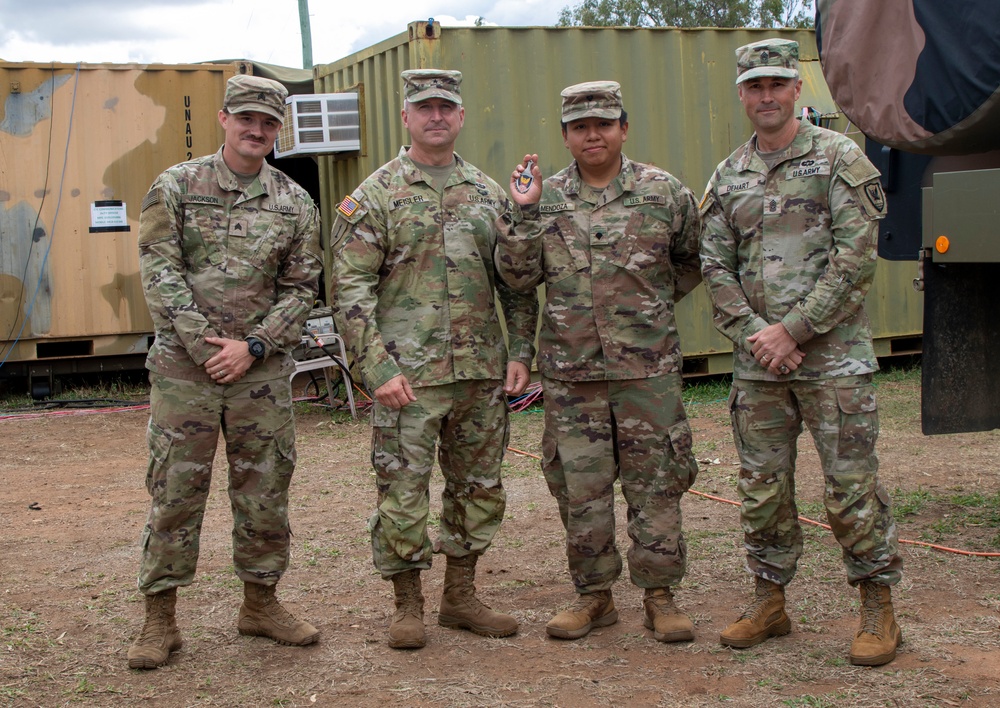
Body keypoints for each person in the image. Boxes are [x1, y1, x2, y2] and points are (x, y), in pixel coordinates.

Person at [699, 39, 904, 666]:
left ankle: (877, 604)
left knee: (849, 486)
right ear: (741, 93)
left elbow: (855, 260)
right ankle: (769, 599)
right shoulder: (729, 174)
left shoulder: (839, 158)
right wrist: (759, 336)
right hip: (759, 365)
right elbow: (715, 264)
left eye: (777, 85)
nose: (766, 96)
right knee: (762, 488)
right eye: (755, 86)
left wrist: (794, 331)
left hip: (834, 362)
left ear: (796, 89)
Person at [329, 69, 538, 650]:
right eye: (425, 107)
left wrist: (520, 350)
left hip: (479, 374)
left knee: (479, 487)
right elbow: (350, 292)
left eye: (447, 106)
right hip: (408, 379)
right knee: (402, 491)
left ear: (462, 116)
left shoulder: (490, 193)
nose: (437, 116)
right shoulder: (374, 196)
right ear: (406, 117)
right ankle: (407, 606)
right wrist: (376, 370)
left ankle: (461, 597)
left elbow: (515, 284)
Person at [128, 74, 322, 669]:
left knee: (265, 490)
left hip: (259, 375)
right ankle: (159, 619)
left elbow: (302, 288)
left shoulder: (294, 201)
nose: (256, 131)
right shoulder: (177, 186)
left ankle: (260, 605)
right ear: (224, 118)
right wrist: (205, 346)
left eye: (268, 122)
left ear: (278, 128)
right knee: (175, 492)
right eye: (246, 119)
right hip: (185, 372)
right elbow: (159, 271)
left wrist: (253, 348)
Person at [498, 81, 703, 642]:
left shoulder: (664, 192)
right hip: (572, 375)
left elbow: (692, 261)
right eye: (581, 126)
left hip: (648, 372)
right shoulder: (544, 197)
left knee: (657, 484)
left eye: (604, 123)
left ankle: (660, 596)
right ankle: (594, 596)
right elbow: (517, 280)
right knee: (579, 490)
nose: (594, 134)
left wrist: (647, 308)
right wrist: (521, 215)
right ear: (565, 135)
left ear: (624, 128)